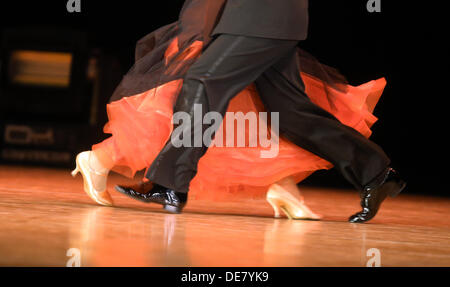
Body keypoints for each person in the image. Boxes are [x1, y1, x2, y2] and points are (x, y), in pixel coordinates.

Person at [73, 0, 405, 223]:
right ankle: (376, 173)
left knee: (202, 82)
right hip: (265, 17)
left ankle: (170, 182)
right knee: (292, 113)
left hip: (261, 14)